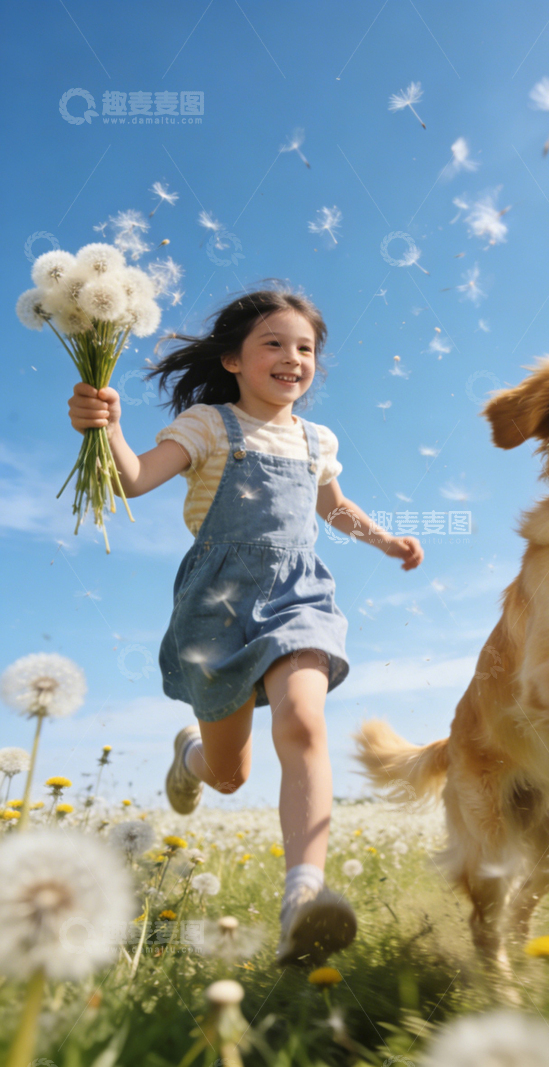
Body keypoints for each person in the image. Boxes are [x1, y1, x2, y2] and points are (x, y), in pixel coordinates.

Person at [67, 283, 424, 966]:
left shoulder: (318, 438)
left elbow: (334, 506)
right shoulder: (207, 424)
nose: (293, 358)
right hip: (217, 606)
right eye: (274, 344)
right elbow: (135, 479)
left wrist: (384, 540)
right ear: (232, 358)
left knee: (303, 720)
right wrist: (105, 424)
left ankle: (304, 896)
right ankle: (190, 758)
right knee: (229, 773)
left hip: (299, 594)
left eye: (306, 348)